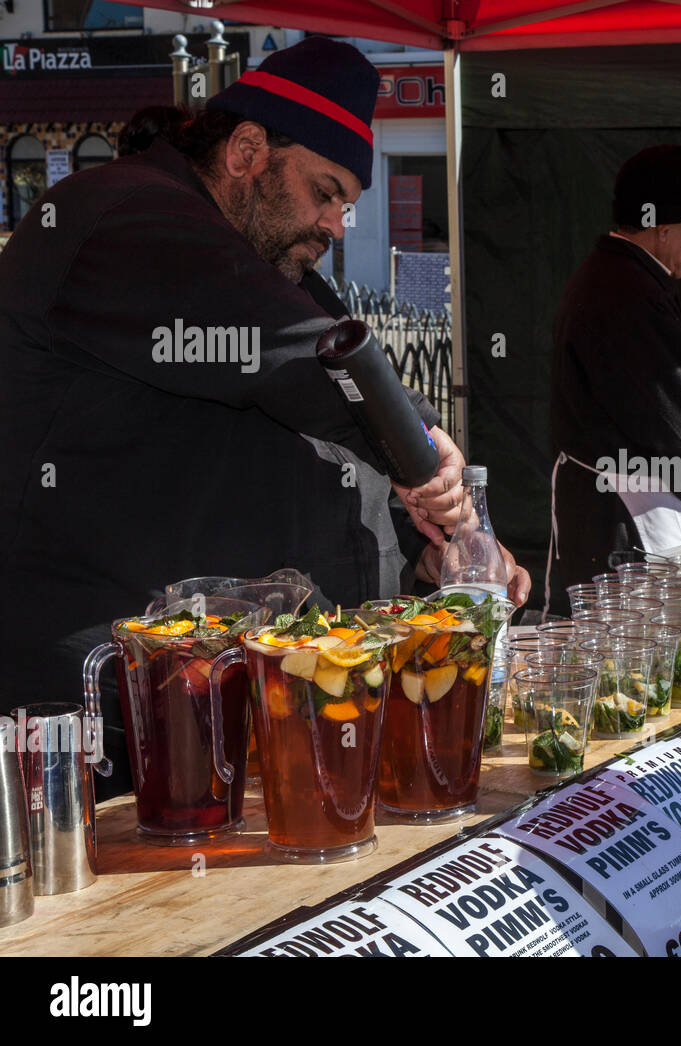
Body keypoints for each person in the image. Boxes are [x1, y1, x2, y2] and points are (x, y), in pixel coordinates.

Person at [0, 37, 528, 798]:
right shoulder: (119, 213)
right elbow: (313, 364)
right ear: (248, 150)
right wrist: (430, 455)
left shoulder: (265, 259)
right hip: (106, 704)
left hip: (230, 698)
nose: (336, 224)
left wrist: (438, 547)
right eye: (325, 191)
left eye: (347, 205)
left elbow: (344, 403)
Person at [548, 145, 681, 614]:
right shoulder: (628, 294)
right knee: (632, 671)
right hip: (621, 525)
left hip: (607, 515)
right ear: (663, 229)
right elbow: (677, 426)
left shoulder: (613, 277)